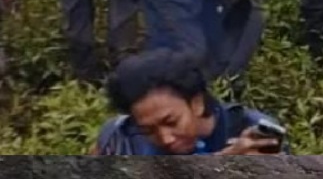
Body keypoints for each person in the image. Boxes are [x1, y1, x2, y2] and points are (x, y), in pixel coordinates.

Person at [94, 48, 288, 155]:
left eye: (171, 122)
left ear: (197, 103)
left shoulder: (249, 130)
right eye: (148, 131)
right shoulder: (120, 137)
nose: (166, 139)